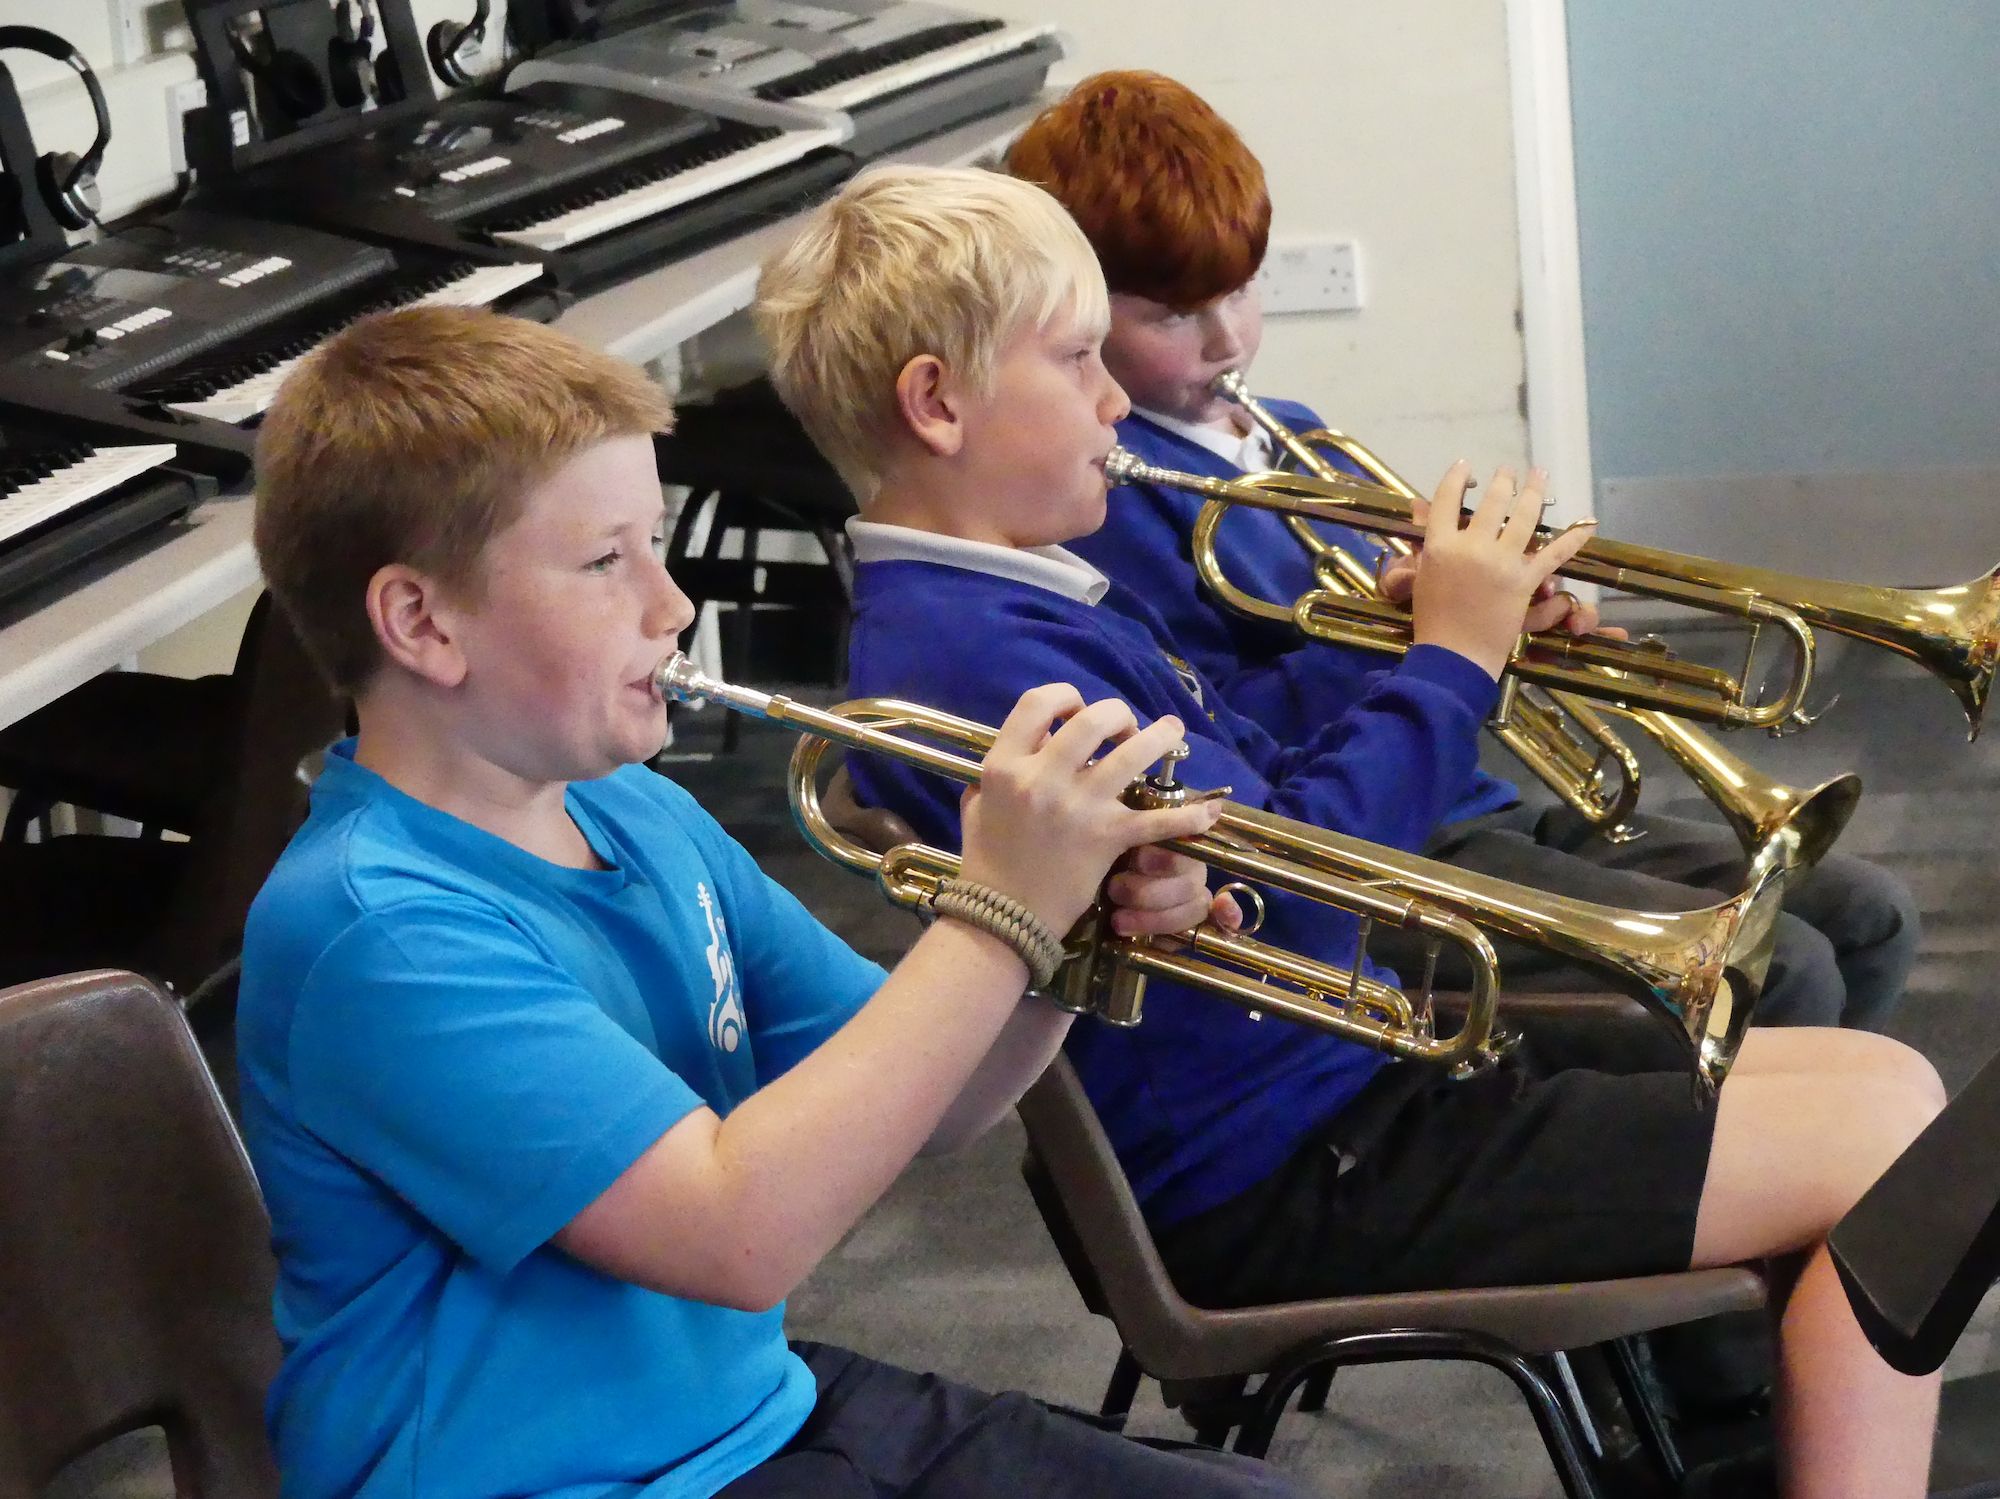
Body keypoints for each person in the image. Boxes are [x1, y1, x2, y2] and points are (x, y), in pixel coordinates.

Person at [755, 160, 1946, 1498]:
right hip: (1289, 1166)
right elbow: (1318, 878)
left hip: (1341, 1099)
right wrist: (1451, 659)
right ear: (937, 402)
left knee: (1894, 1087)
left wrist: (1402, 636)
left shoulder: (1024, 603)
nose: (1112, 398)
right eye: (1077, 358)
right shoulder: (986, 658)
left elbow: (1259, 794)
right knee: (1891, 1153)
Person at [235, 304, 1315, 1499]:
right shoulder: (380, 929)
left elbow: (938, 1099)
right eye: (605, 562)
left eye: (657, 542)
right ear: (422, 621)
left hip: (744, 1418)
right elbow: (737, 1234)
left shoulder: (633, 810)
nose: (672, 604)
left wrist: (1069, 931)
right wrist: (999, 909)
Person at [1001, 70, 1920, 1034]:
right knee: (1782, 970)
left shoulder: (1293, 433)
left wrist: (1512, 623)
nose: (1227, 340)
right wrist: (1429, 638)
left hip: (1465, 793)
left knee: (1871, 918)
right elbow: (1217, 739)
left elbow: (1421, 637)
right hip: (1369, 850)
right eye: (1172, 316)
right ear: (1081, 314)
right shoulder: (1106, 497)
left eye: (1240, 290)